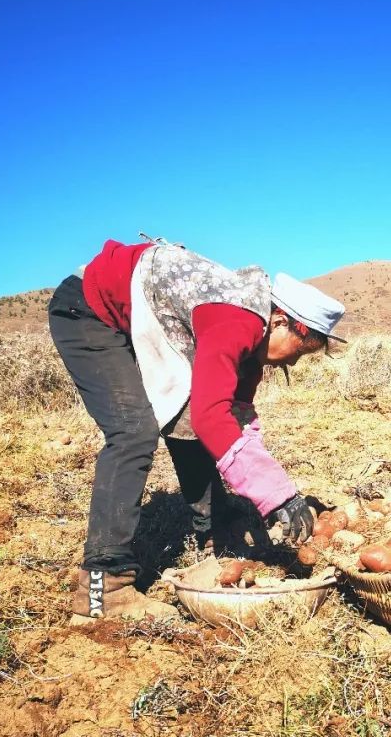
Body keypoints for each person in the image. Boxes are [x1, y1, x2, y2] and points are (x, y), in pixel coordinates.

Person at [48, 235, 345, 623]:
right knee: (132, 431)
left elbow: (233, 422)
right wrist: (278, 496)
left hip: (131, 313)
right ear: (280, 321)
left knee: (188, 415)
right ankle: (103, 589)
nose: (292, 363)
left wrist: (276, 495)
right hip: (88, 311)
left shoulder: (252, 350)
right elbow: (212, 417)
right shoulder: (235, 320)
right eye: (299, 351)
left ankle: (216, 528)